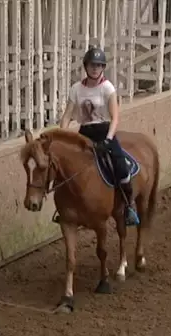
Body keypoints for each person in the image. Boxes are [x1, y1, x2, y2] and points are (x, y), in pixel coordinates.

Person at [59, 47, 140, 226]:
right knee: (65, 166)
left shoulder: (107, 88)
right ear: (85, 67)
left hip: (104, 132)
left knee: (119, 164)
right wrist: (63, 136)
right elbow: (67, 116)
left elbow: (115, 117)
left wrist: (109, 139)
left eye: (98, 65)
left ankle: (129, 206)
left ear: (103, 67)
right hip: (84, 133)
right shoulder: (76, 89)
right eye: (91, 65)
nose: (94, 68)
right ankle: (65, 207)